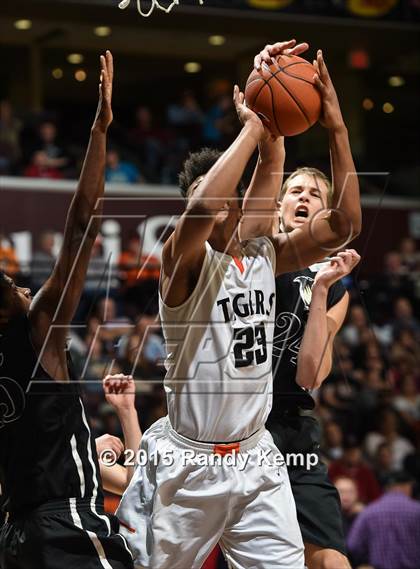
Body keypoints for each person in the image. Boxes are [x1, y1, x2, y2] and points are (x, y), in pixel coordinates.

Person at [116, 40, 361, 569]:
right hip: (187, 461)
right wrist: (252, 124)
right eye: (213, 191)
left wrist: (332, 126)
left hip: (256, 457)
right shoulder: (182, 261)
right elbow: (204, 205)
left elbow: (343, 226)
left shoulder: (265, 253)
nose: (222, 200)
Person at [0, 51, 134, 569]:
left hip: (15, 535)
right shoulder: (37, 330)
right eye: (11, 284)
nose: (21, 285)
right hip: (66, 525)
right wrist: (100, 131)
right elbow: (81, 227)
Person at [239, 46, 361, 569]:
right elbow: (262, 184)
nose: (305, 196)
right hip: (238, 421)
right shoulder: (260, 243)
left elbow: (312, 373)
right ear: (280, 200)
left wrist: (318, 295)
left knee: (328, 560)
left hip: (292, 425)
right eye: (296, 190)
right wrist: (263, 107)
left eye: (316, 192)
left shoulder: (332, 283)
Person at [347, 471, 420, 569]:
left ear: (386, 488)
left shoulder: (369, 512)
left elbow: (353, 545)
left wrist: (365, 559)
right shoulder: (417, 510)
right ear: (407, 486)